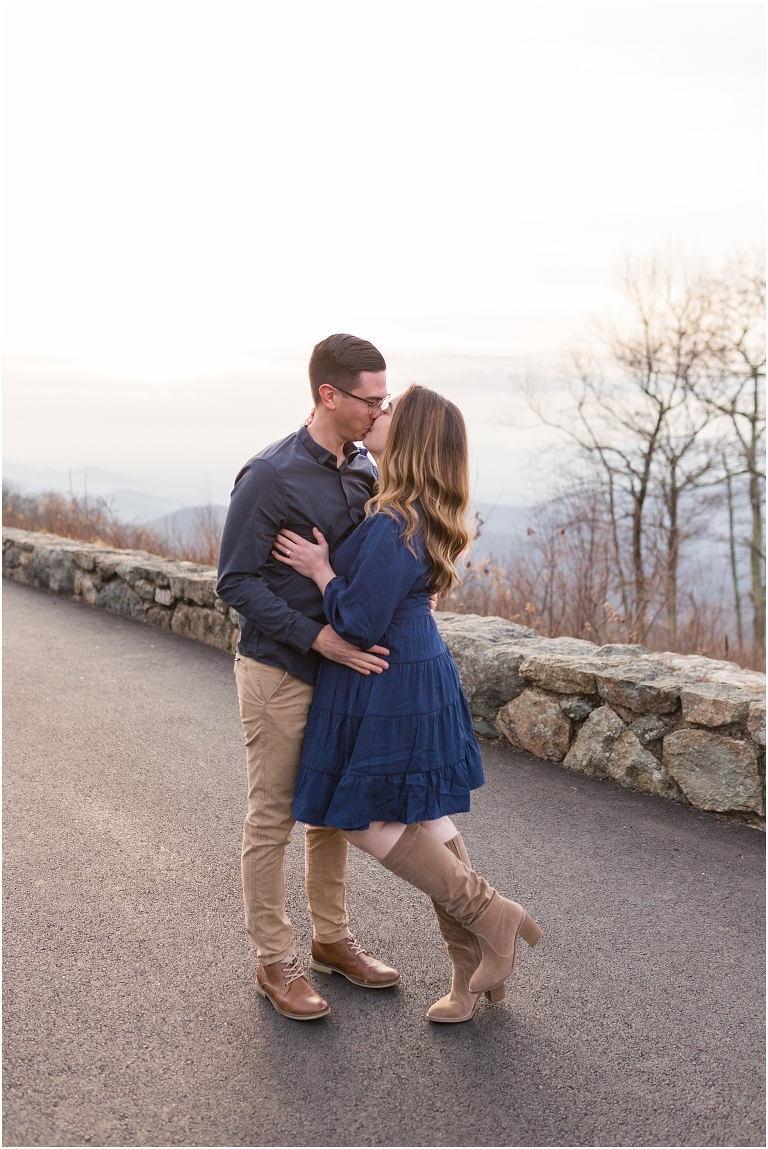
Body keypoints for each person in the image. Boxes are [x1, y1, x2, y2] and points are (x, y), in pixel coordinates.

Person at [272, 385, 543, 1024]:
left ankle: (492, 916)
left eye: (390, 409)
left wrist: (320, 571)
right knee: (432, 822)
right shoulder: (415, 511)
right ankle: (471, 975)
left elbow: (360, 619)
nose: (378, 411)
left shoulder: (397, 521)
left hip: (389, 679)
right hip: (411, 672)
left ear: (412, 435)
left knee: (365, 818)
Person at [217, 334, 402, 1022]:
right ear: (329, 394)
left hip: (342, 676)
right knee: (273, 816)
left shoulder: (362, 470)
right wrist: (320, 635)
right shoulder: (269, 475)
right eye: (371, 399)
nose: (380, 411)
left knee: (329, 811)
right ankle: (276, 958)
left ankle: (332, 939)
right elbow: (233, 580)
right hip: (279, 668)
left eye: (385, 397)